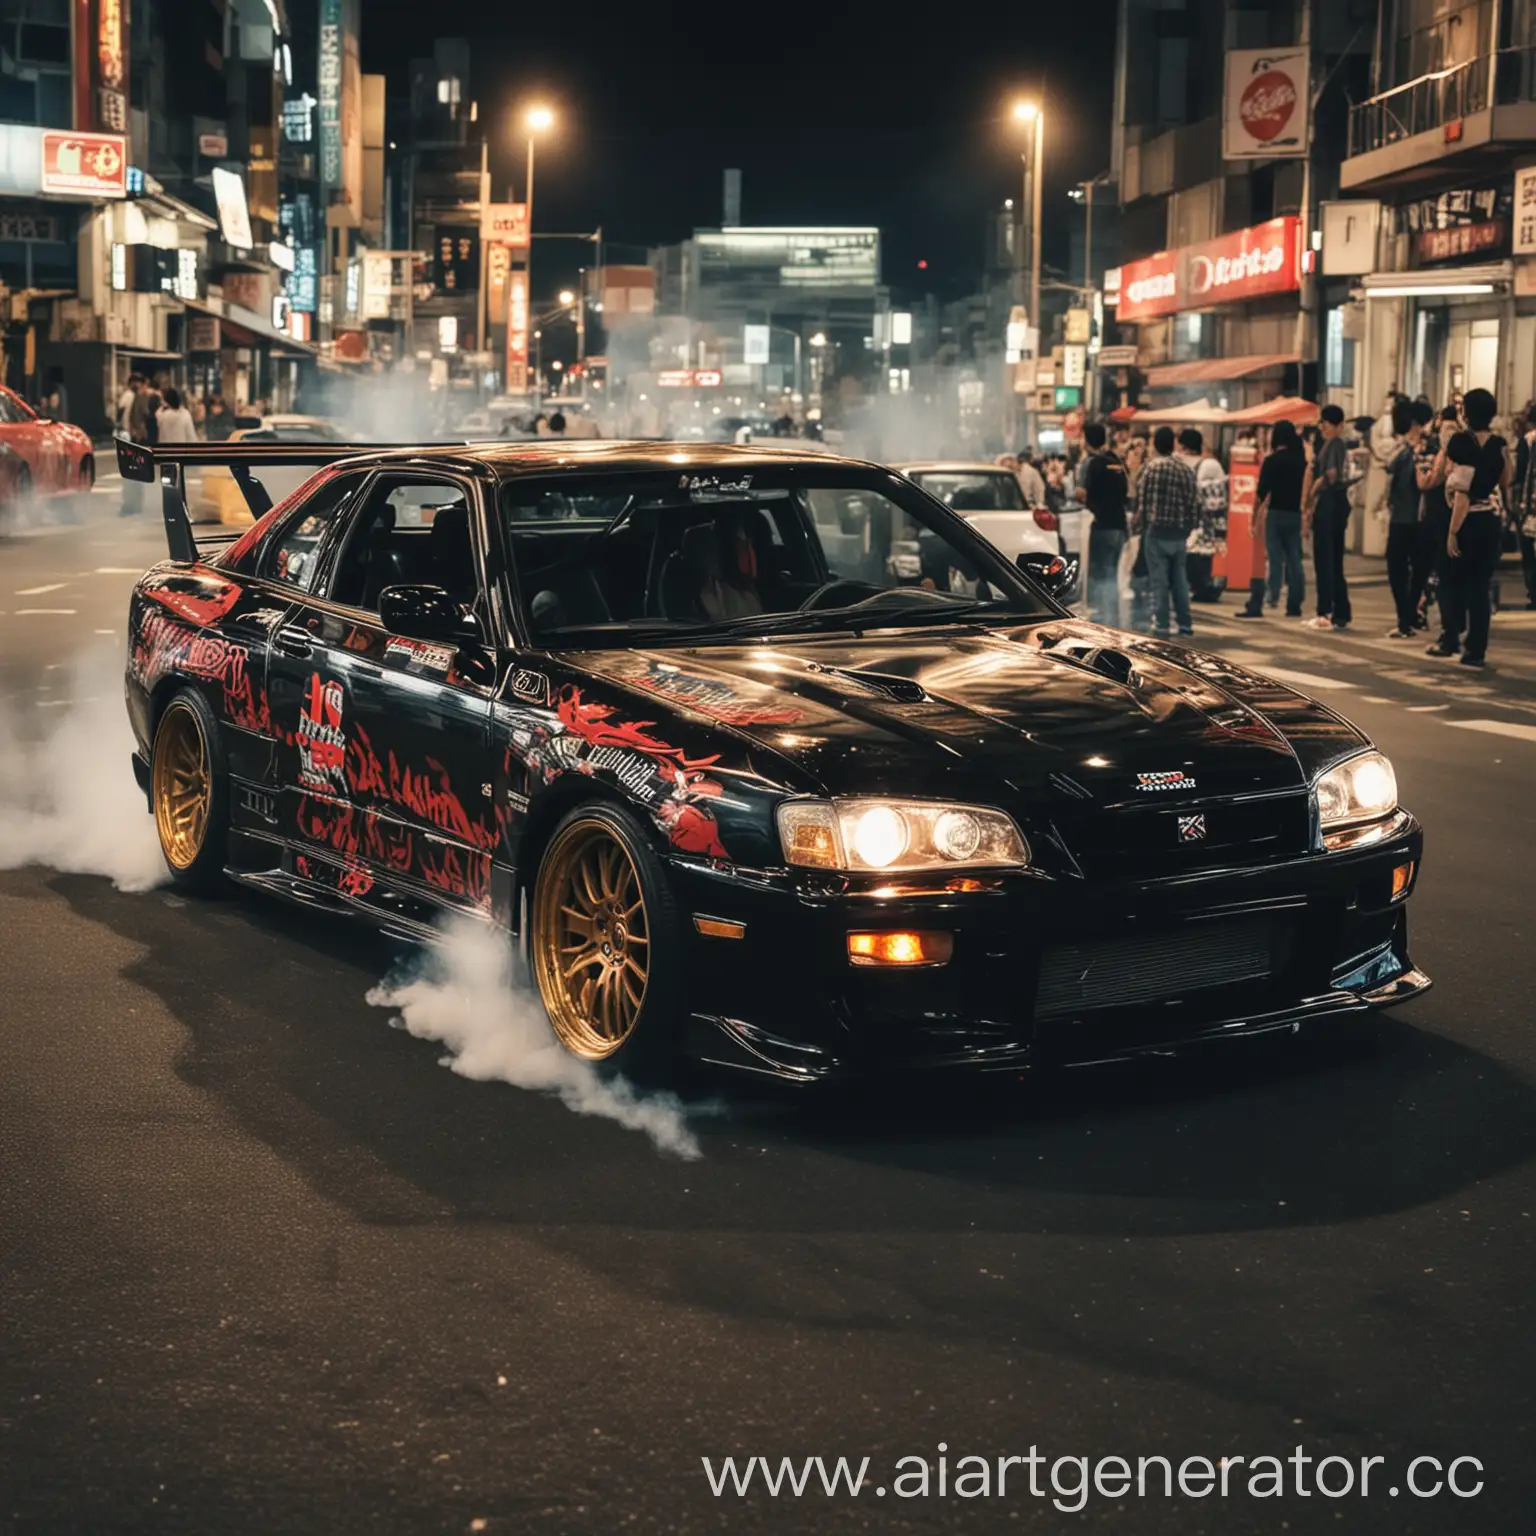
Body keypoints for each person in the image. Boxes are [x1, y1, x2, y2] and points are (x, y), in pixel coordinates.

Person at [1440, 387, 1510, 668]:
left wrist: (1453, 530)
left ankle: (1459, 637)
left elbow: (1461, 492)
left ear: (1466, 412)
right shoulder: (1499, 443)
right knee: (1481, 585)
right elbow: (1508, 479)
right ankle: (1477, 647)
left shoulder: (1460, 442)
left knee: (1459, 581)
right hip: (1491, 520)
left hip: (1468, 519)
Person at [1133, 425, 1200, 638]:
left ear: (1155, 444)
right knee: (1180, 578)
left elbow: (1142, 504)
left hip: (1156, 532)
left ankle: (1162, 624)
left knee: (1159, 580)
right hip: (1179, 533)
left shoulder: (1150, 468)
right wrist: (1189, 527)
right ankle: (1185, 624)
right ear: (1173, 444)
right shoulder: (1185, 469)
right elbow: (1194, 503)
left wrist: (1140, 527)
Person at [1249, 419, 1307, 619]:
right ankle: (1295, 603)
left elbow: (1261, 493)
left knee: (1274, 559)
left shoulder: (1272, 460)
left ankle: (1272, 597)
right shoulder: (1301, 461)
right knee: (1294, 559)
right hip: (1295, 514)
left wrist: (1254, 518)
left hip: (1275, 514)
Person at [1302, 404, 1353, 630]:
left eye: (1326, 423)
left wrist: (1312, 493)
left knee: (1325, 561)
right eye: (1322, 423)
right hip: (1337, 506)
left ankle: (1325, 612)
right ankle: (1341, 612)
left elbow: (1330, 476)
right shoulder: (1335, 445)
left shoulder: (1334, 445)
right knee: (1334, 561)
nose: (1322, 427)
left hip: (1330, 505)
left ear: (1338, 425)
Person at [1075, 421, 1129, 627]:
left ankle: (1100, 620)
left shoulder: (1090, 463)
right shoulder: (1116, 461)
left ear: (1086, 440)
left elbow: (1080, 494)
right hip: (1120, 526)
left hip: (1102, 525)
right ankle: (1113, 617)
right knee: (1112, 573)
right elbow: (1127, 492)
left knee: (1099, 574)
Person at [1383, 399, 1429, 638]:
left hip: (1406, 518)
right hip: (1414, 518)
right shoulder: (1421, 446)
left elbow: (1389, 468)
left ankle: (1407, 617)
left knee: (1398, 569)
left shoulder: (1411, 450)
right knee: (1416, 570)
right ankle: (1408, 616)